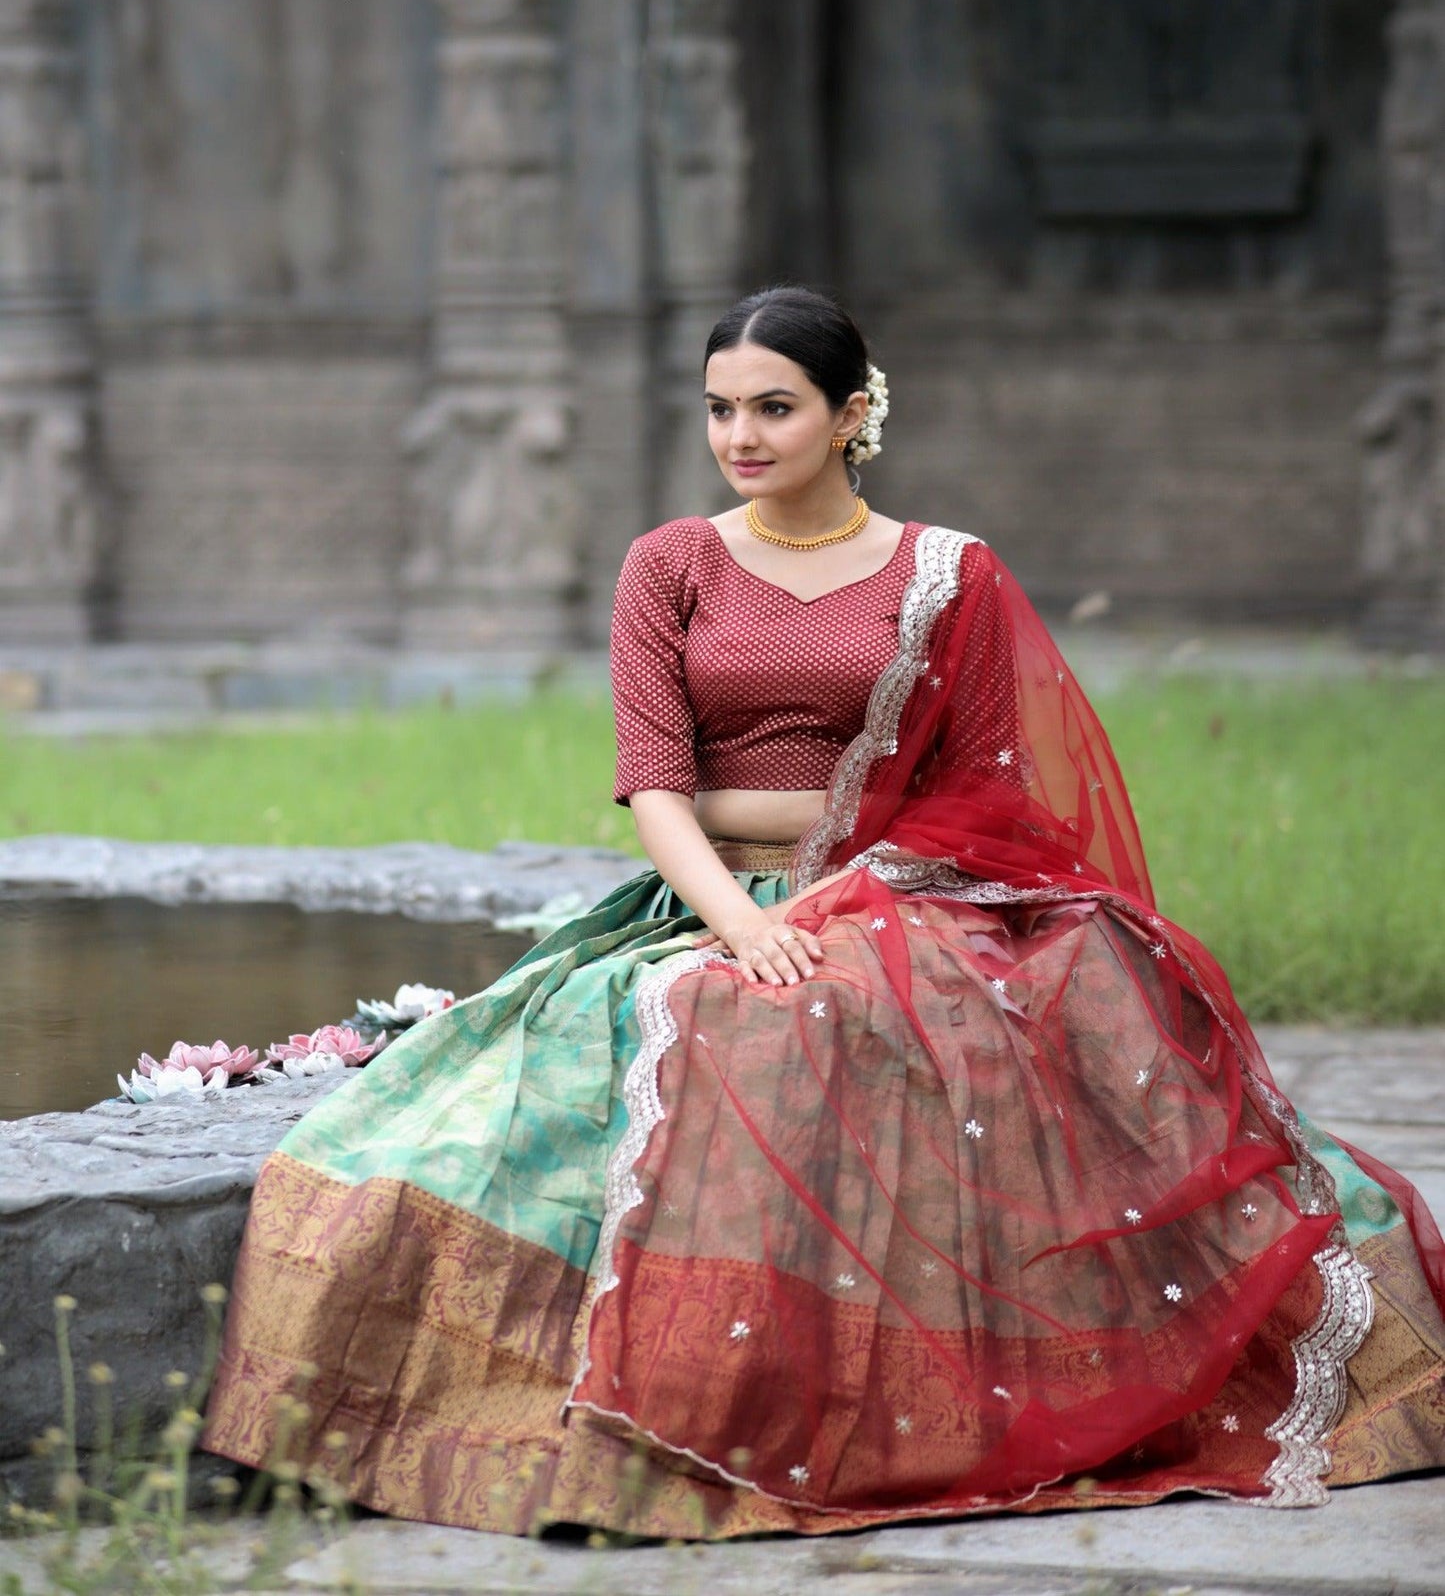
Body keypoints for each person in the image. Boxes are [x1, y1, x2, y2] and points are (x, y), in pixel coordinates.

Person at [204, 285, 1445, 1536]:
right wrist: (739, 922)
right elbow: (654, 782)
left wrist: (863, 889)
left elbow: (991, 793)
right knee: (611, 1041)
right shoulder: (671, 563)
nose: (740, 434)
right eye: (719, 409)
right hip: (710, 894)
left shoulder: (945, 571)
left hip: (908, 887)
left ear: (852, 413)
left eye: (773, 408)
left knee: (886, 1013)